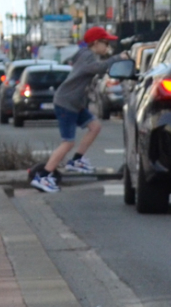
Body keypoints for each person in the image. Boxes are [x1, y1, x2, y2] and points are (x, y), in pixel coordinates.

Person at [31, 27, 115, 193]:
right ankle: (44, 176)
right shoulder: (87, 56)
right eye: (106, 42)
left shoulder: (86, 55)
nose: (108, 46)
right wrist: (118, 59)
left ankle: (77, 160)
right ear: (96, 43)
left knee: (95, 126)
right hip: (67, 102)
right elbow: (96, 69)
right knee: (68, 142)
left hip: (74, 103)